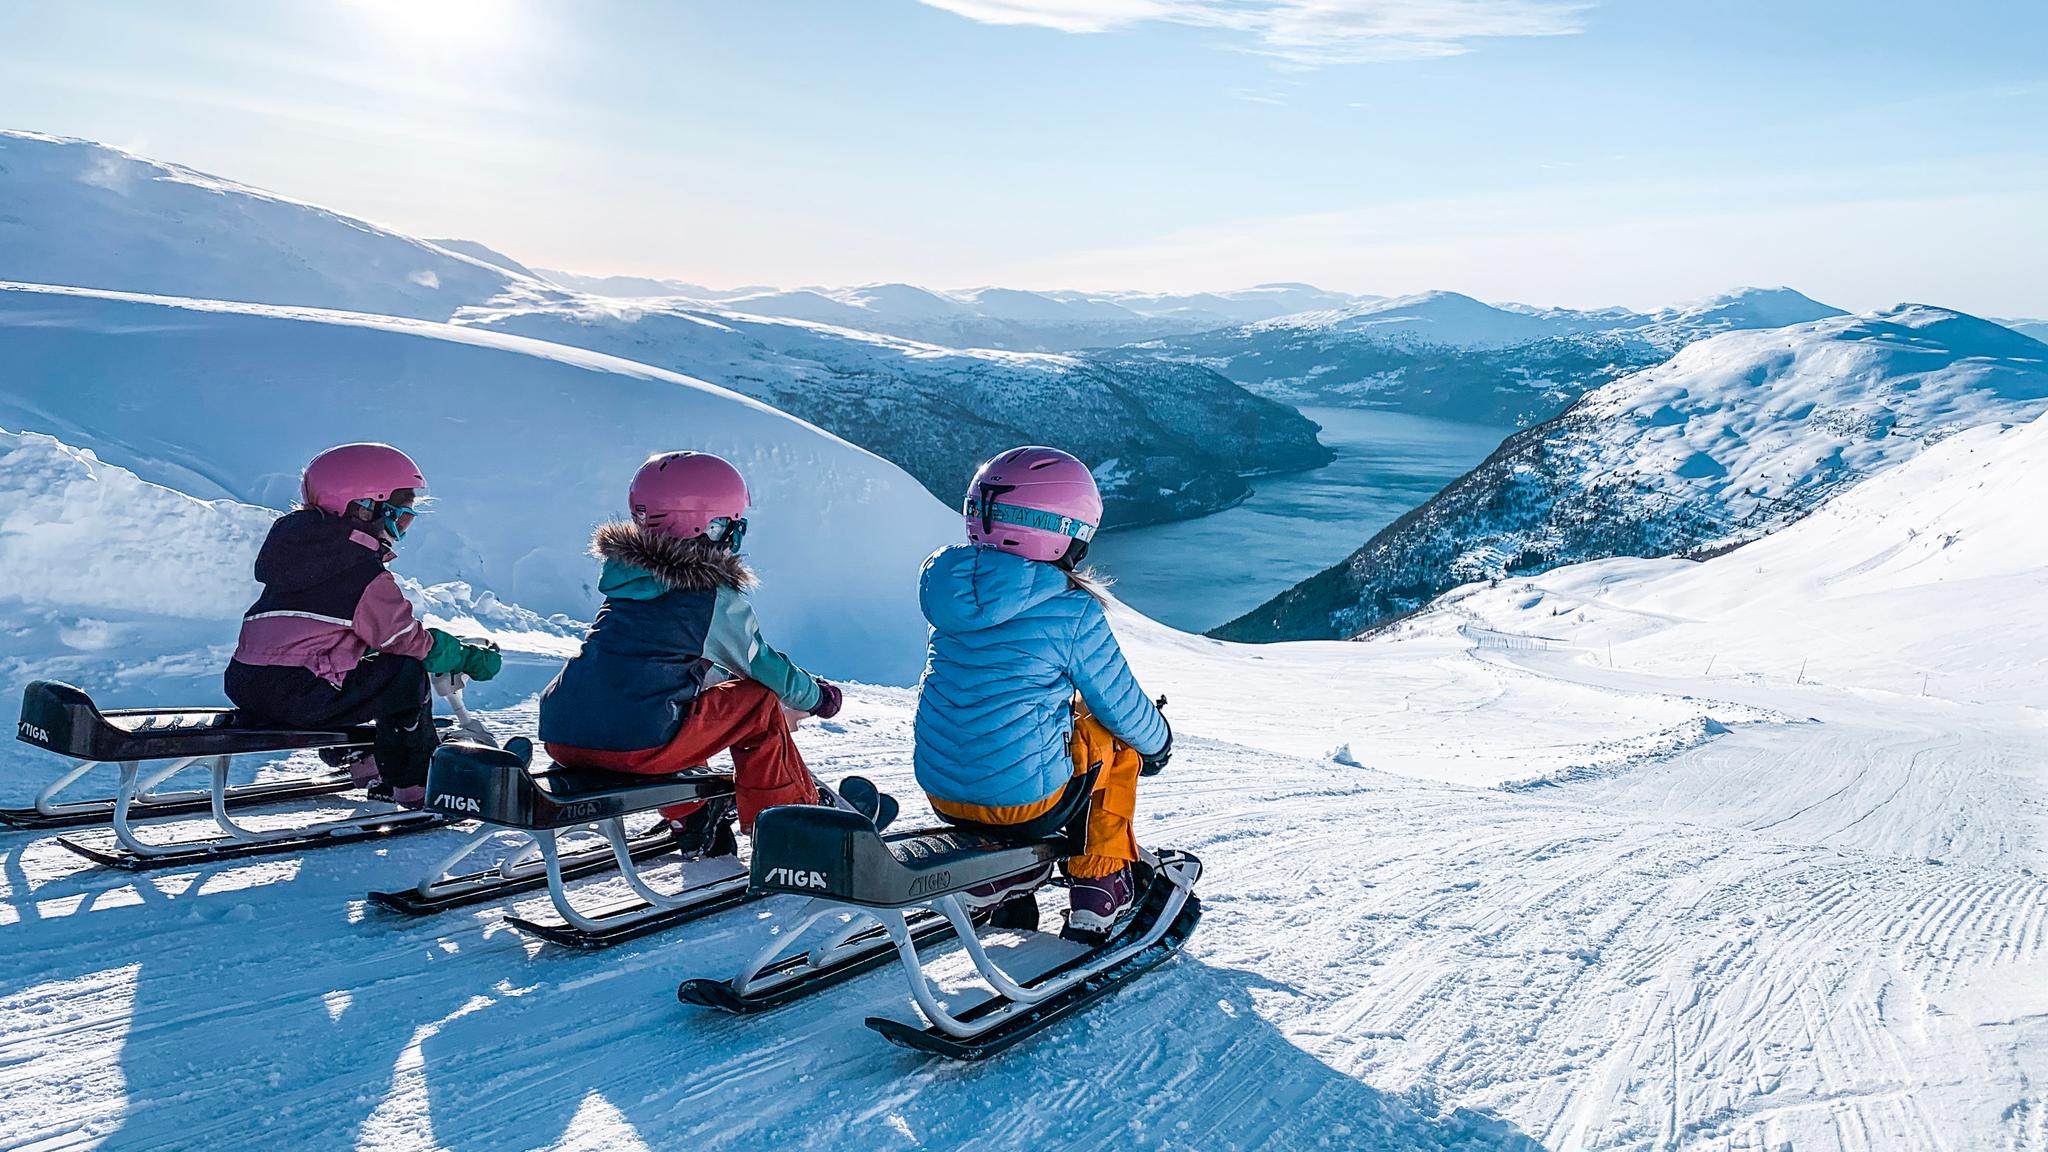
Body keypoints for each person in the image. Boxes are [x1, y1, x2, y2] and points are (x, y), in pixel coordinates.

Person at [538, 450, 857, 855]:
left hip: (564, 732)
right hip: (636, 743)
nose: (734, 538)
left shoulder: (629, 581)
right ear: (703, 525)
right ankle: (792, 828)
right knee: (754, 704)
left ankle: (693, 814)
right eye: (730, 525)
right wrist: (818, 697)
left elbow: (658, 666)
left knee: (673, 701)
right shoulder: (705, 594)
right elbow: (761, 666)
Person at [913, 445, 1171, 942]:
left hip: (942, 792)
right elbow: (1120, 705)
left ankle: (999, 874)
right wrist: (1157, 743)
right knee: (1112, 742)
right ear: (1061, 535)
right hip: (1026, 802)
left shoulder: (949, 597)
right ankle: (1100, 885)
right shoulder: (1071, 612)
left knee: (1025, 719)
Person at [224, 443, 502, 807]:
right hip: (300, 694)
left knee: (359, 673)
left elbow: (320, 636)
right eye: (401, 517)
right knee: (404, 673)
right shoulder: (359, 570)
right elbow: (404, 639)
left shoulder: (297, 557)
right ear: (365, 507)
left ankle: (361, 757)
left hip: (248, 685)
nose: (401, 529)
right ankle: (416, 784)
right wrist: (460, 656)